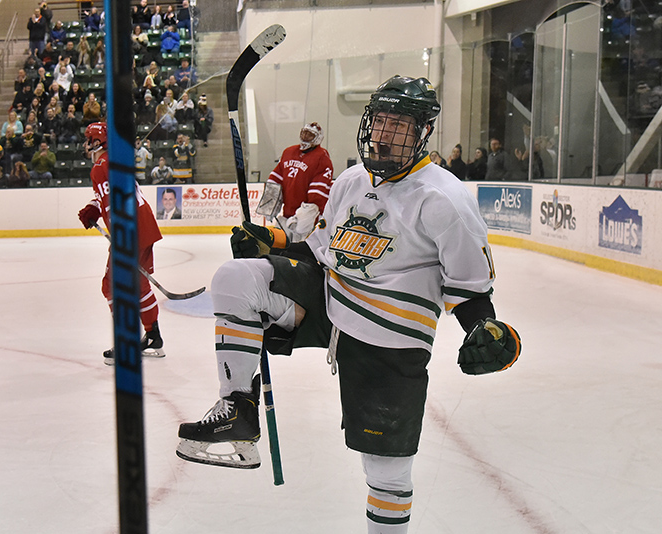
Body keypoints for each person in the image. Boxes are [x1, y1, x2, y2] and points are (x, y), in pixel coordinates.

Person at [176, 75, 522, 534]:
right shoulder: (351, 181)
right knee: (236, 279)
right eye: (380, 120)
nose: (385, 132)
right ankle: (238, 409)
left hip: (390, 338)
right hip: (328, 300)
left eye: (400, 124)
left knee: (385, 472)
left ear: (422, 133)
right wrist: (271, 240)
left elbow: (471, 291)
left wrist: (490, 332)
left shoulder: (446, 199)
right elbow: (323, 249)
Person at [75, 123, 166, 362]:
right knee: (140, 285)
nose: (85, 143)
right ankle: (154, 337)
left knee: (112, 286)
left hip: (130, 229)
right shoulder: (114, 161)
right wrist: (93, 209)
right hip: (144, 224)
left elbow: (112, 204)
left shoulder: (99, 167)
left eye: (88, 139)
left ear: (96, 142)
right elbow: (109, 197)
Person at [255, 122, 334, 242]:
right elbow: (277, 177)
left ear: (318, 139)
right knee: (280, 245)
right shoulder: (289, 152)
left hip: (307, 216)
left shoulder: (321, 157)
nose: (305, 137)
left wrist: (305, 216)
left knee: (301, 246)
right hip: (287, 213)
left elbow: (318, 192)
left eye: (310, 135)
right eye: (304, 133)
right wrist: (270, 201)